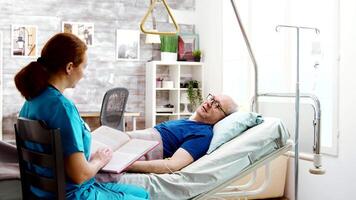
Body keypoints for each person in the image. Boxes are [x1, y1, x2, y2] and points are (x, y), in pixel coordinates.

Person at [14, 33, 149, 200]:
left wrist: (87, 158)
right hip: (74, 195)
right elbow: (80, 175)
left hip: (42, 193)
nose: (84, 73)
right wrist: (100, 160)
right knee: (144, 197)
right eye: (84, 66)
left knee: (141, 193)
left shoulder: (31, 101)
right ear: (69, 67)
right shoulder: (62, 107)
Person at [126, 94, 238, 174]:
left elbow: (172, 165)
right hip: (134, 139)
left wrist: (127, 165)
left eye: (217, 105)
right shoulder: (189, 121)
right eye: (212, 99)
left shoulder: (203, 134)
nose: (209, 103)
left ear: (223, 118)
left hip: (141, 147)